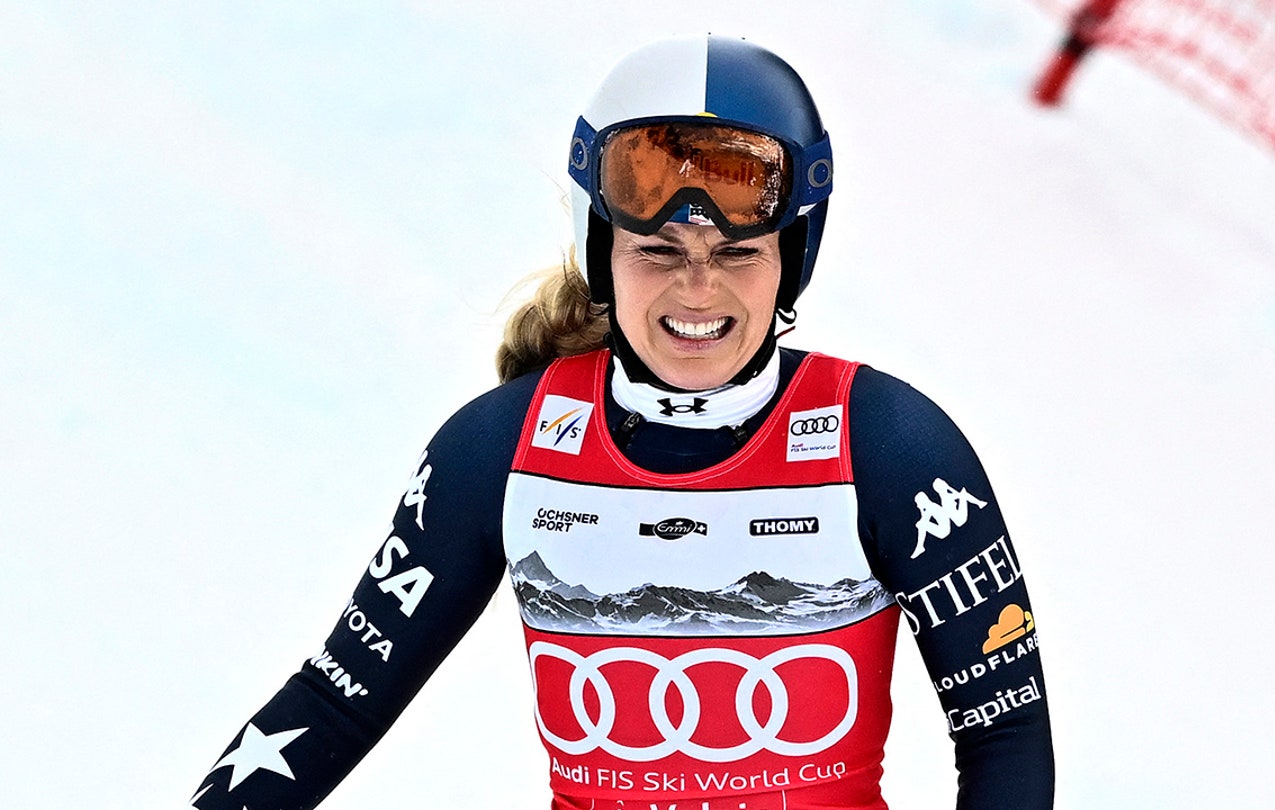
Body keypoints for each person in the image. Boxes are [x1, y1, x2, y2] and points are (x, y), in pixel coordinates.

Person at [190, 35, 1054, 810]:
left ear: (792, 257)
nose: (698, 289)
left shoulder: (891, 447)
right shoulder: (497, 449)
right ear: (602, 250)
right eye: (657, 252)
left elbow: (1005, 735)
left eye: (738, 254)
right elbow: (336, 702)